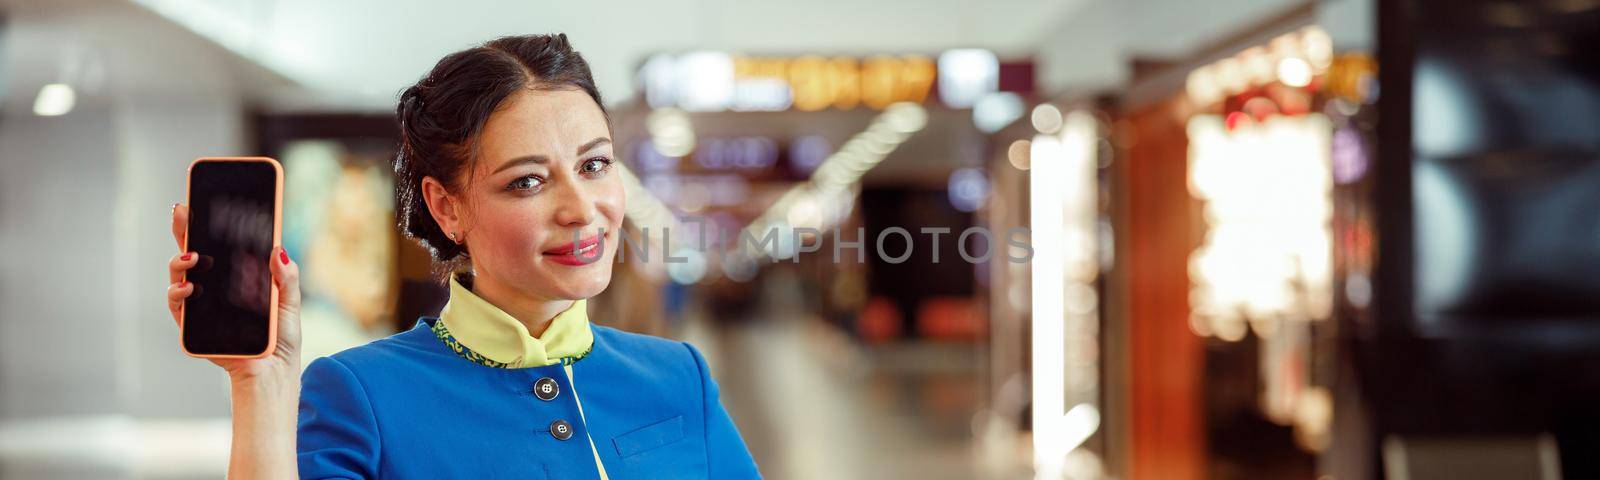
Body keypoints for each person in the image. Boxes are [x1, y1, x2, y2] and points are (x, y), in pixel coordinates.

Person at [164, 33, 761, 479]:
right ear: (447, 208)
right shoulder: (361, 396)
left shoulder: (678, 375)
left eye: (595, 165)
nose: (582, 208)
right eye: (528, 181)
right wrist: (260, 384)